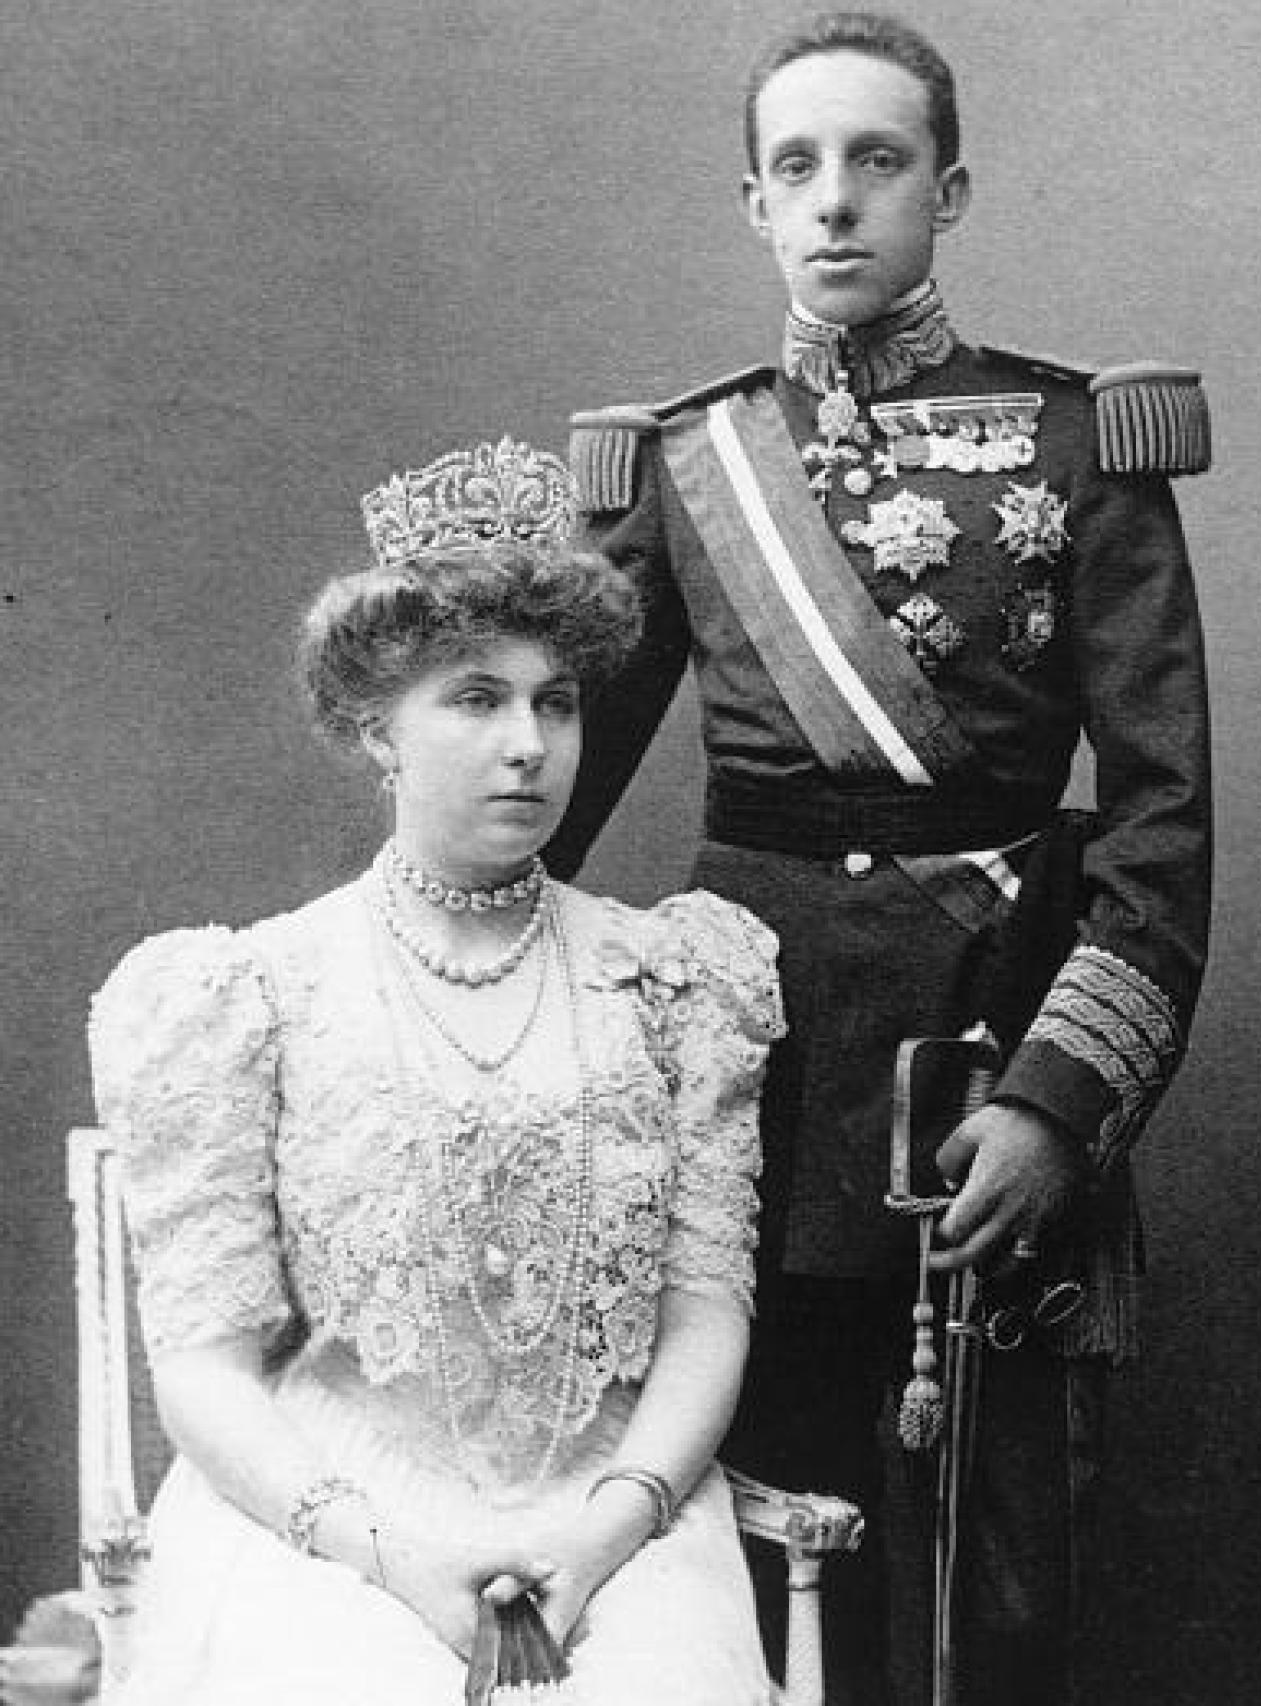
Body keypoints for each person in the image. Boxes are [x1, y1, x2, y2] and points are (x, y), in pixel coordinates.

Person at [553, 12, 1212, 1706]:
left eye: (877, 160)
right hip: (742, 1090)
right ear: (756, 207)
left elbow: (1158, 830)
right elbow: (532, 801)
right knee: (746, 1561)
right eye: (797, 167)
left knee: (983, 1587)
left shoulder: (1082, 447)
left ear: (950, 188)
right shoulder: (691, 465)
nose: (834, 202)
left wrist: (1061, 1101)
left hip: (975, 1083)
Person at [86, 437, 783, 1706]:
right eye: (475, 697)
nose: (528, 743)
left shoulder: (677, 979)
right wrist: (385, 1552)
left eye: (554, 700)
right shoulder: (251, 991)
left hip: (618, 1521)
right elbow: (203, 1364)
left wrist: (610, 1523)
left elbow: (703, 1317)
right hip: (331, 1517)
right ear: (375, 728)